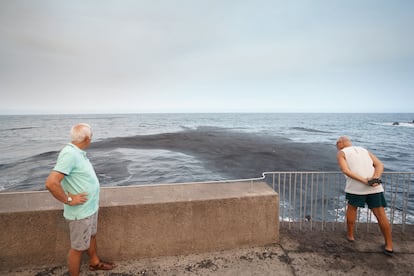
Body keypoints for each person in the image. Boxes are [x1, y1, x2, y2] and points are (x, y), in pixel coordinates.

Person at [45, 123, 116, 275]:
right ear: (87, 138)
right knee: (77, 249)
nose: (92, 137)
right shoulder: (69, 154)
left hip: (89, 208)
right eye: (91, 135)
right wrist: (69, 199)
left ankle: (94, 262)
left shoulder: (78, 152)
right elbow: (51, 183)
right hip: (80, 212)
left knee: (91, 235)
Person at [336, 136, 393, 256]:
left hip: (355, 188)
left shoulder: (342, 153)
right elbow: (379, 165)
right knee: (381, 214)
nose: (337, 147)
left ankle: (350, 236)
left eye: (337, 144)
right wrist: (375, 178)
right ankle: (389, 245)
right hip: (375, 188)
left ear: (341, 143)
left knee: (352, 209)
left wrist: (364, 181)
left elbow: (346, 171)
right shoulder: (364, 150)